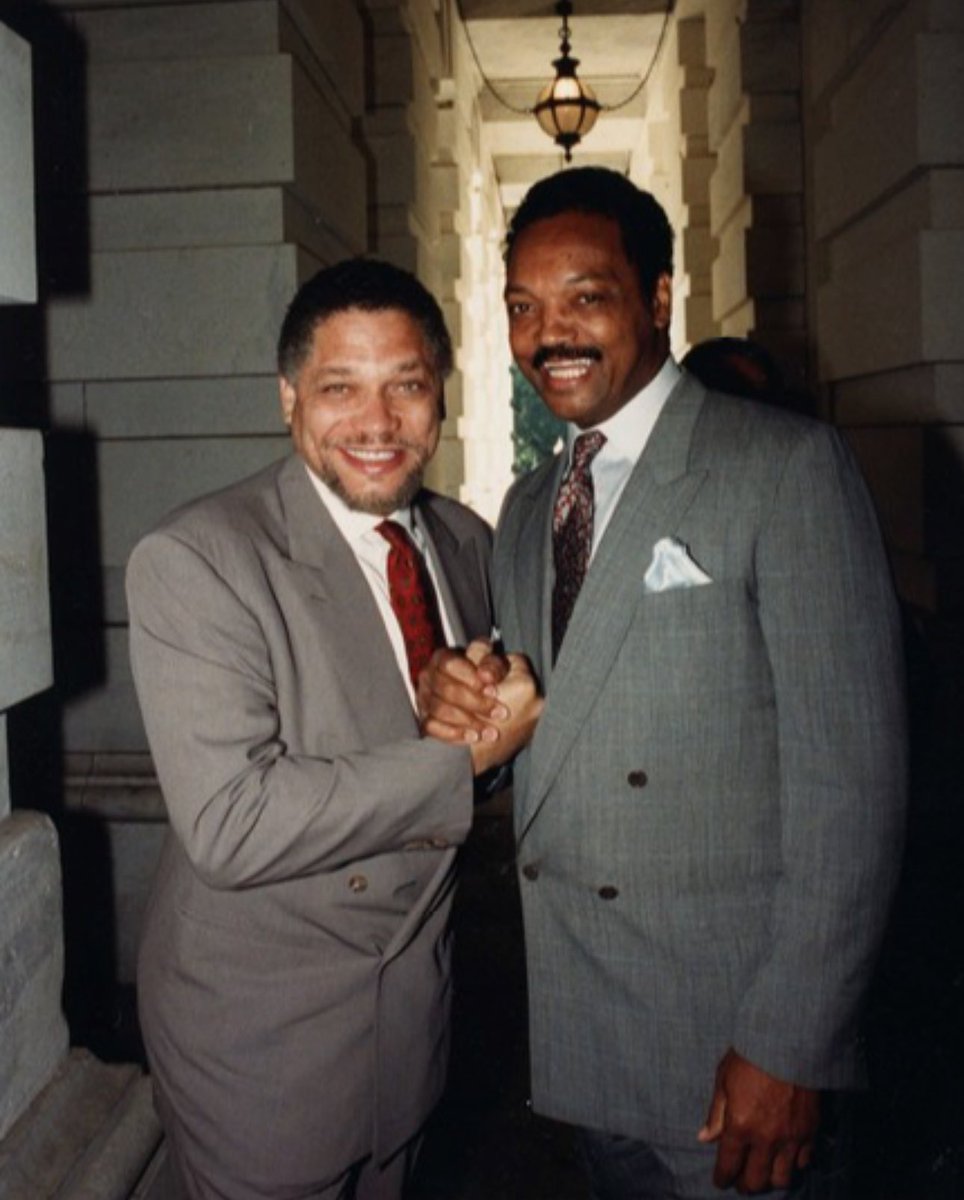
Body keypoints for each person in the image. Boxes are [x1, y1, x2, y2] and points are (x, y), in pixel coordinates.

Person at [420, 168, 907, 1199]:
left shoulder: (784, 466)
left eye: (583, 298)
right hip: (585, 1044)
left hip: (735, 1049)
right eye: (522, 307)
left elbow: (853, 788)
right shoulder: (522, 508)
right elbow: (547, 743)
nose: (548, 333)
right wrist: (461, 719)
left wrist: (791, 1045)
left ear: (655, 300)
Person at [126, 258, 539, 1200]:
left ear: (440, 394)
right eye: (339, 388)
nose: (378, 423)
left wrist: (494, 711)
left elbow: (488, 760)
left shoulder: (467, 543)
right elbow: (231, 823)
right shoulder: (199, 559)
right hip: (260, 1047)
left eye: (405, 384)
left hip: (410, 1025)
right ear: (289, 399)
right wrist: (464, 757)